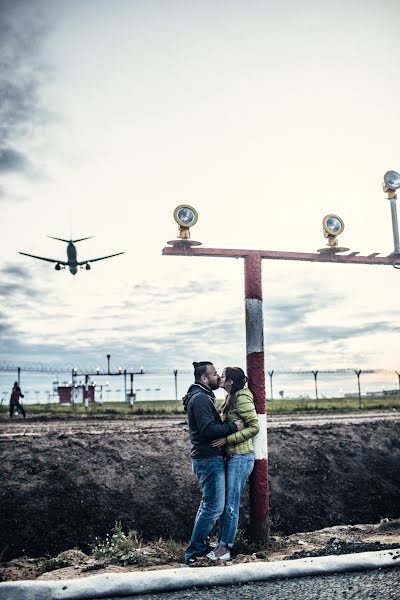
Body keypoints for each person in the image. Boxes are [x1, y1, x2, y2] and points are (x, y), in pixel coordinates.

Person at [183, 361, 244, 564]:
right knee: (214, 507)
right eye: (215, 374)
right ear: (204, 378)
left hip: (208, 458)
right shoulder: (200, 398)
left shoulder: (202, 396)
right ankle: (195, 553)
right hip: (208, 458)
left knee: (209, 505)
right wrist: (233, 427)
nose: (218, 377)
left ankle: (198, 548)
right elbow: (208, 430)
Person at [207, 367, 259, 561]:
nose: (219, 377)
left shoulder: (242, 398)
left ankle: (225, 548)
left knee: (230, 503)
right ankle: (222, 544)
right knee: (226, 502)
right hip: (234, 457)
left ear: (229, 381)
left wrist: (227, 440)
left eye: (223, 375)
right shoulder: (231, 397)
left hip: (241, 456)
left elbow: (254, 426)